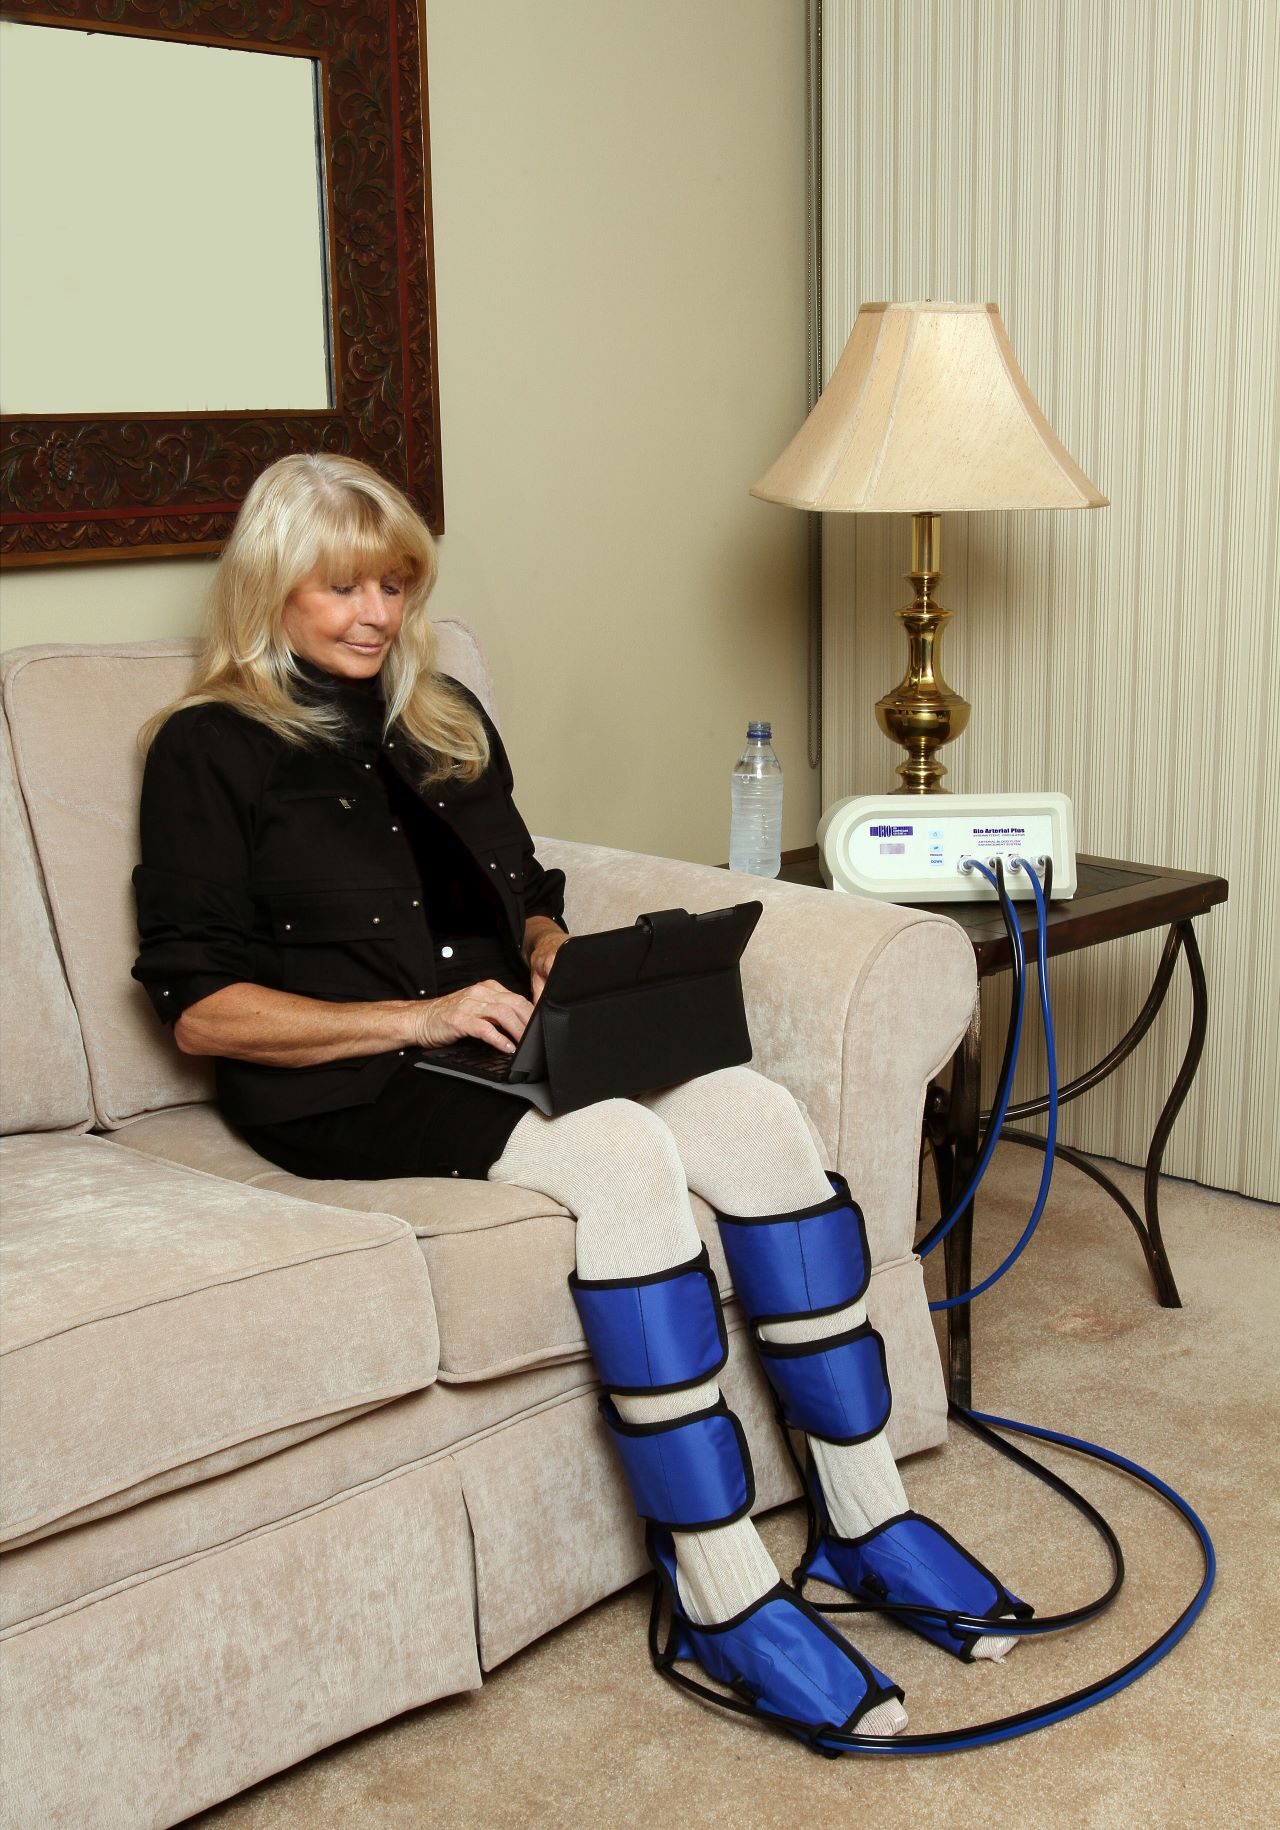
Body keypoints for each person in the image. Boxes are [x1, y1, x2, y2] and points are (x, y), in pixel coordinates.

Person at [133, 453, 1025, 1752]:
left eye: (396, 583)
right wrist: (420, 1016)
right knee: (618, 1153)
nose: (376, 613)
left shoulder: (441, 720)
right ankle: (721, 1588)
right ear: (273, 585)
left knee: (761, 1118)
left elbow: (523, 878)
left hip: (499, 1033)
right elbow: (199, 1007)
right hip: (343, 1078)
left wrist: (549, 944)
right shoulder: (210, 749)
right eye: (343, 587)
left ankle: (865, 1518)